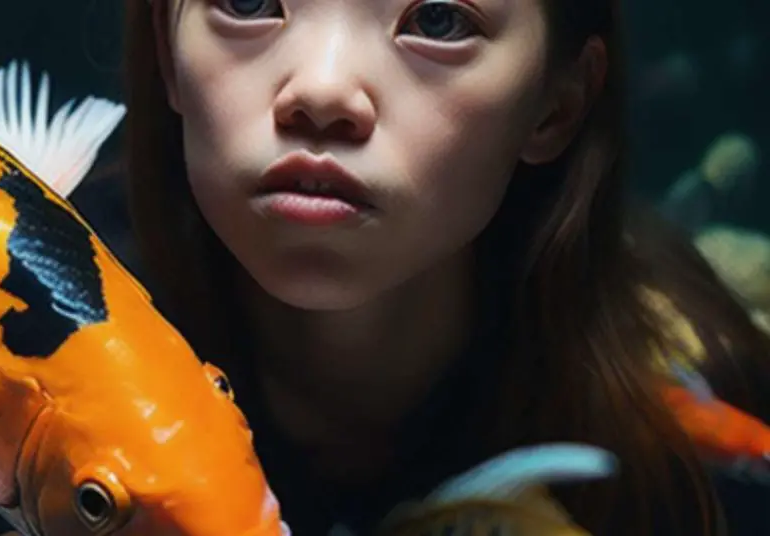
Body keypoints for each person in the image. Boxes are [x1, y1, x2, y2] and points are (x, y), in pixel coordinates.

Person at [110, 0, 770, 533]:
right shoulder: (16, 359)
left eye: (437, 20)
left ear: (557, 103)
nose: (322, 88)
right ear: (169, 56)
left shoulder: (698, 445)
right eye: (248, 4)